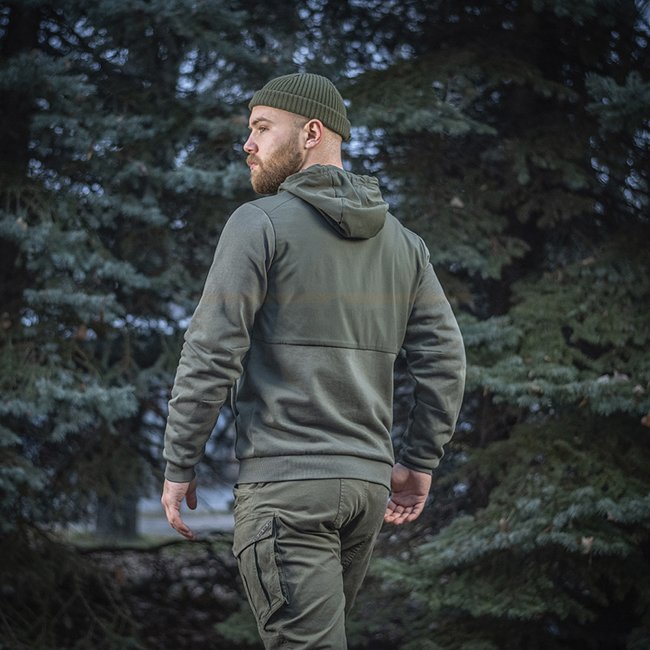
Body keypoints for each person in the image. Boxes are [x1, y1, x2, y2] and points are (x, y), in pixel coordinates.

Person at [161, 73, 466, 649]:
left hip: (287, 490)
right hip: (364, 492)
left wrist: (180, 462)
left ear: (311, 133)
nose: (247, 144)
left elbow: (210, 350)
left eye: (261, 128)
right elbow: (446, 360)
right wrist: (419, 461)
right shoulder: (404, 243)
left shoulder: (258, 223)